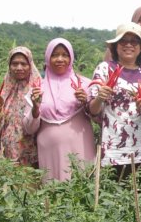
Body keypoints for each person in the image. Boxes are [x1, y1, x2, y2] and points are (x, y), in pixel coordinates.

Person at [89, 23, 141, 179]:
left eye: (134, 41)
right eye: (123, 41)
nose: (128, 45)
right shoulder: (105, 69)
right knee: (114, 199)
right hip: (113, 150)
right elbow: (92, 110)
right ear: (115, 46)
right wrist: (100, 97)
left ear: (140, 47)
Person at [24, 38, 96, 182]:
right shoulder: (37, 88)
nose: (60, 59)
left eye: (65, 55)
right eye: (55, 55)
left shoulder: (85, 84)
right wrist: (36, 108)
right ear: (47, 58)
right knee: (53, 193)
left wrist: (86, 101)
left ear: (71, 58)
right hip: (49, 150)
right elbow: (28, 128)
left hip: (80, 146)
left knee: (82, 187)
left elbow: (99, 117)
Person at [0, 46, 42, 166]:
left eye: (23, 64)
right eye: (14, 64)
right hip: (6, 153)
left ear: (30, 65)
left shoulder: (37, 89)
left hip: (30, 156)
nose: (19, 68)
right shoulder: (6, 90)